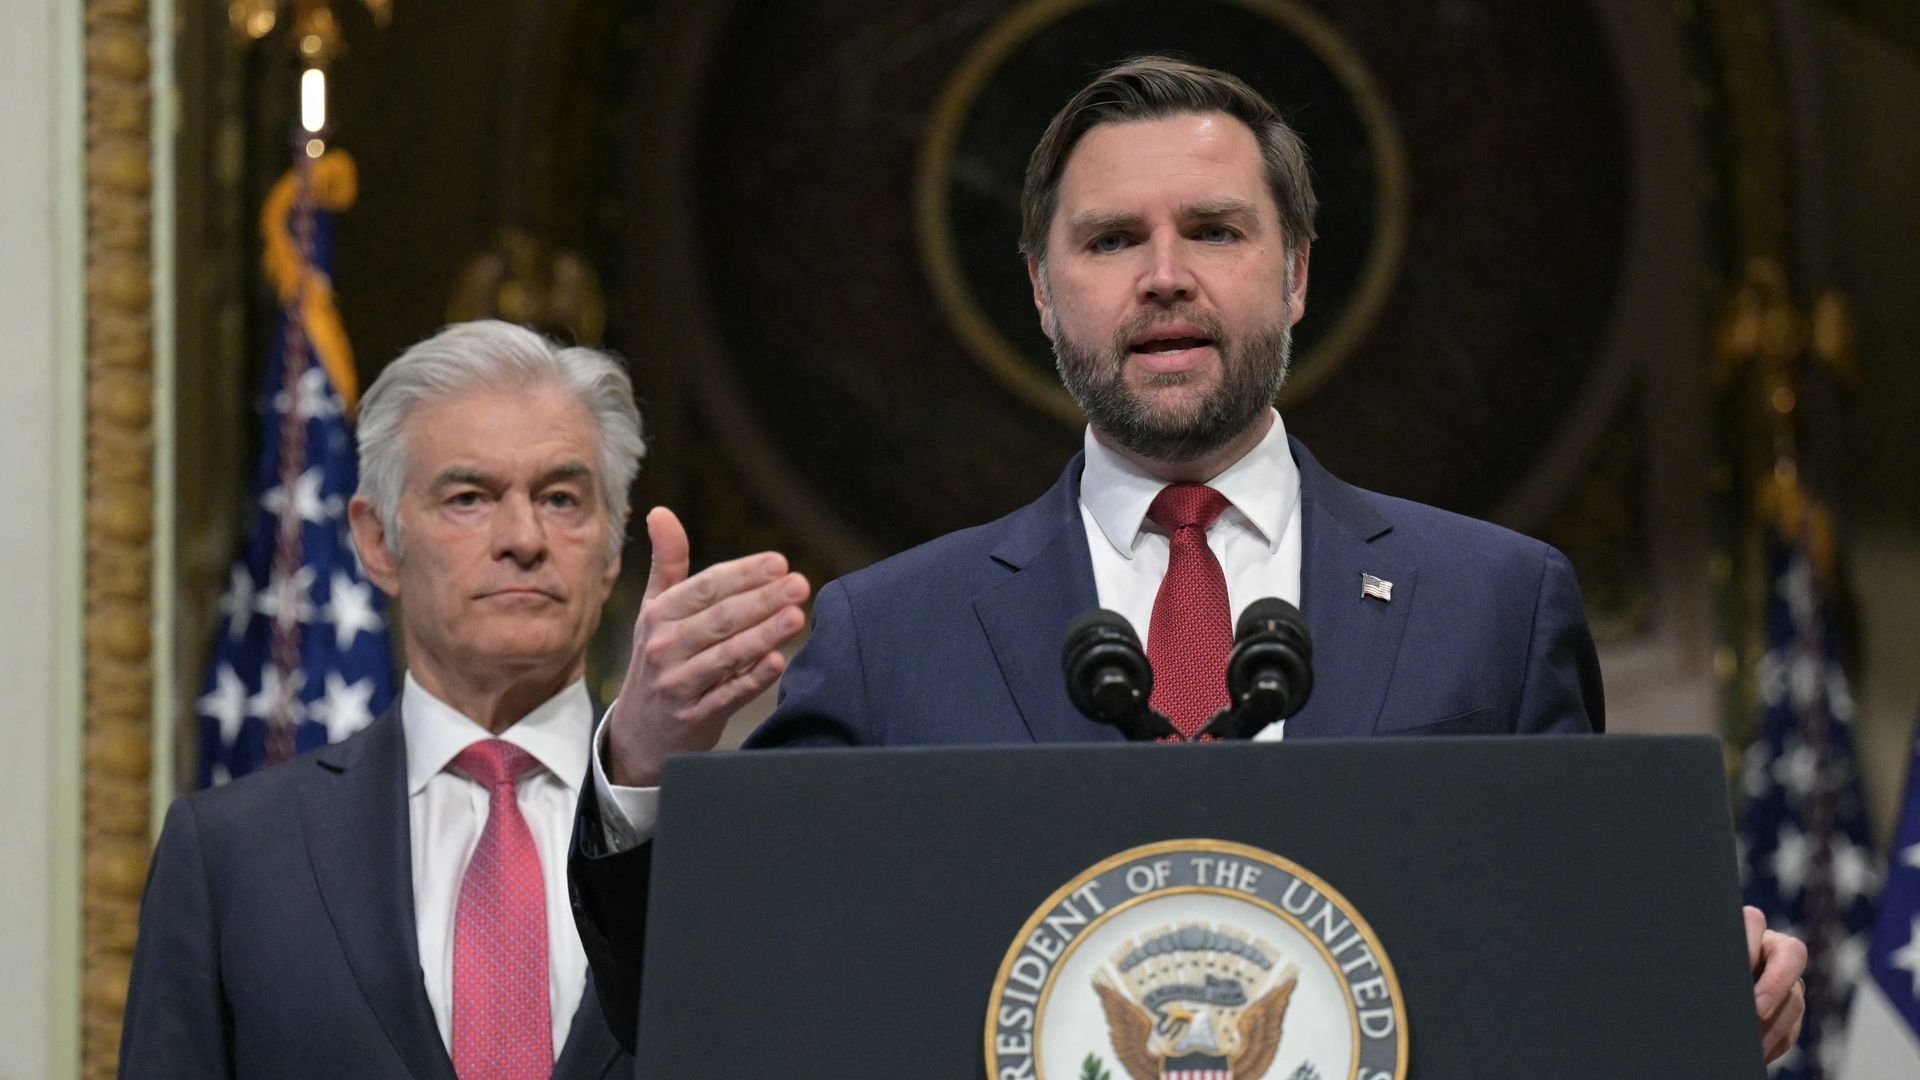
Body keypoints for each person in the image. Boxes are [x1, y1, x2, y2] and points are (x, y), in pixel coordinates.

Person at [572, 57, 1806, 1064]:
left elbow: (1568, 981)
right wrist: (644, 766)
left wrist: (1695, 1007)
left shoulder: (1493, 603)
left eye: (1214, 230)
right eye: (1112, 241)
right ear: (1045, 295)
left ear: (1299, 272)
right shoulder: (889, 634)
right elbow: (719, 1012)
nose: (1165, 277)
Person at [117, 320, 810, 1078]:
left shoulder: (742, 852)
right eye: (471, 497)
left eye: (562, 498)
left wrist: (642, 781)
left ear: (613, 548)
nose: (523, 537)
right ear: (379, 542)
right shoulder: (232, 856)